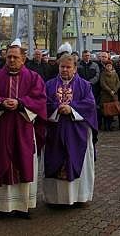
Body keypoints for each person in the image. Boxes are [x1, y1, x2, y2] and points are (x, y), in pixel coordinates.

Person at [0, 43, 47, 220]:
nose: (12, 60)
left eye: (16, 57)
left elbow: (39, 98)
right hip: (0, 128)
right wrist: (0, 103)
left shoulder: (34, 78)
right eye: (9, 57)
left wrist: (21, 103)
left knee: (24, 162)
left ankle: (22, 207)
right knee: (0, 161)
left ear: (23, 59)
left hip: (24, 129)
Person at [43, 53, 98, 206]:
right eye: (62, 67)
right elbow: (43, 103)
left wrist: (72, 108)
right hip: (55, 131)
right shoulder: (49, 85)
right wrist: (57, 108)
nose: (65, 70)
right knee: (55, 161)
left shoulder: (85, 85)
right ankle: (54, 199)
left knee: (77, 161)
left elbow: (90, 105)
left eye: (68, 67)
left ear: (75, 68)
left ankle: (80, 197)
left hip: (77, 131)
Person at [99, 61, 120, 131]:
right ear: (105, 66)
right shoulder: (103, 74)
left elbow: (118, 83)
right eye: (107, 66)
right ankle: (106, 126)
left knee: (112, 110)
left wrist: (114, 90)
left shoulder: (115, 74)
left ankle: (110, 125)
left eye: (110, 66)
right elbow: (102, 83)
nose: (109, 67)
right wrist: (109, 90)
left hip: (113, 95)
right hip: (105, 95)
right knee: (105, 111)